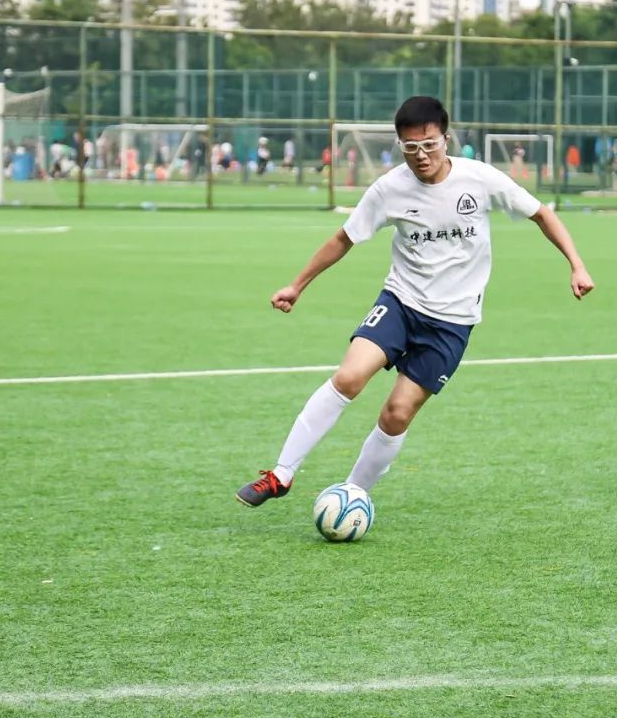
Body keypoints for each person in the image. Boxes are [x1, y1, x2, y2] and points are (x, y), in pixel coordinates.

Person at [236, 95, 595, 508]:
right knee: (349, 377)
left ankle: (352, 495)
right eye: (410, 147)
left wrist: (577, 265)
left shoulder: (480, 179)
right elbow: (343, 238)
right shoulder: (389, 188)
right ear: (399, 144)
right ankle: (281, 474)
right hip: (401, 302)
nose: (421, 155)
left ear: (446, 139)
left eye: (429, 144)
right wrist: (297, 285)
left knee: (397, 413)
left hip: (452, 322)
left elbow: (542, 214)